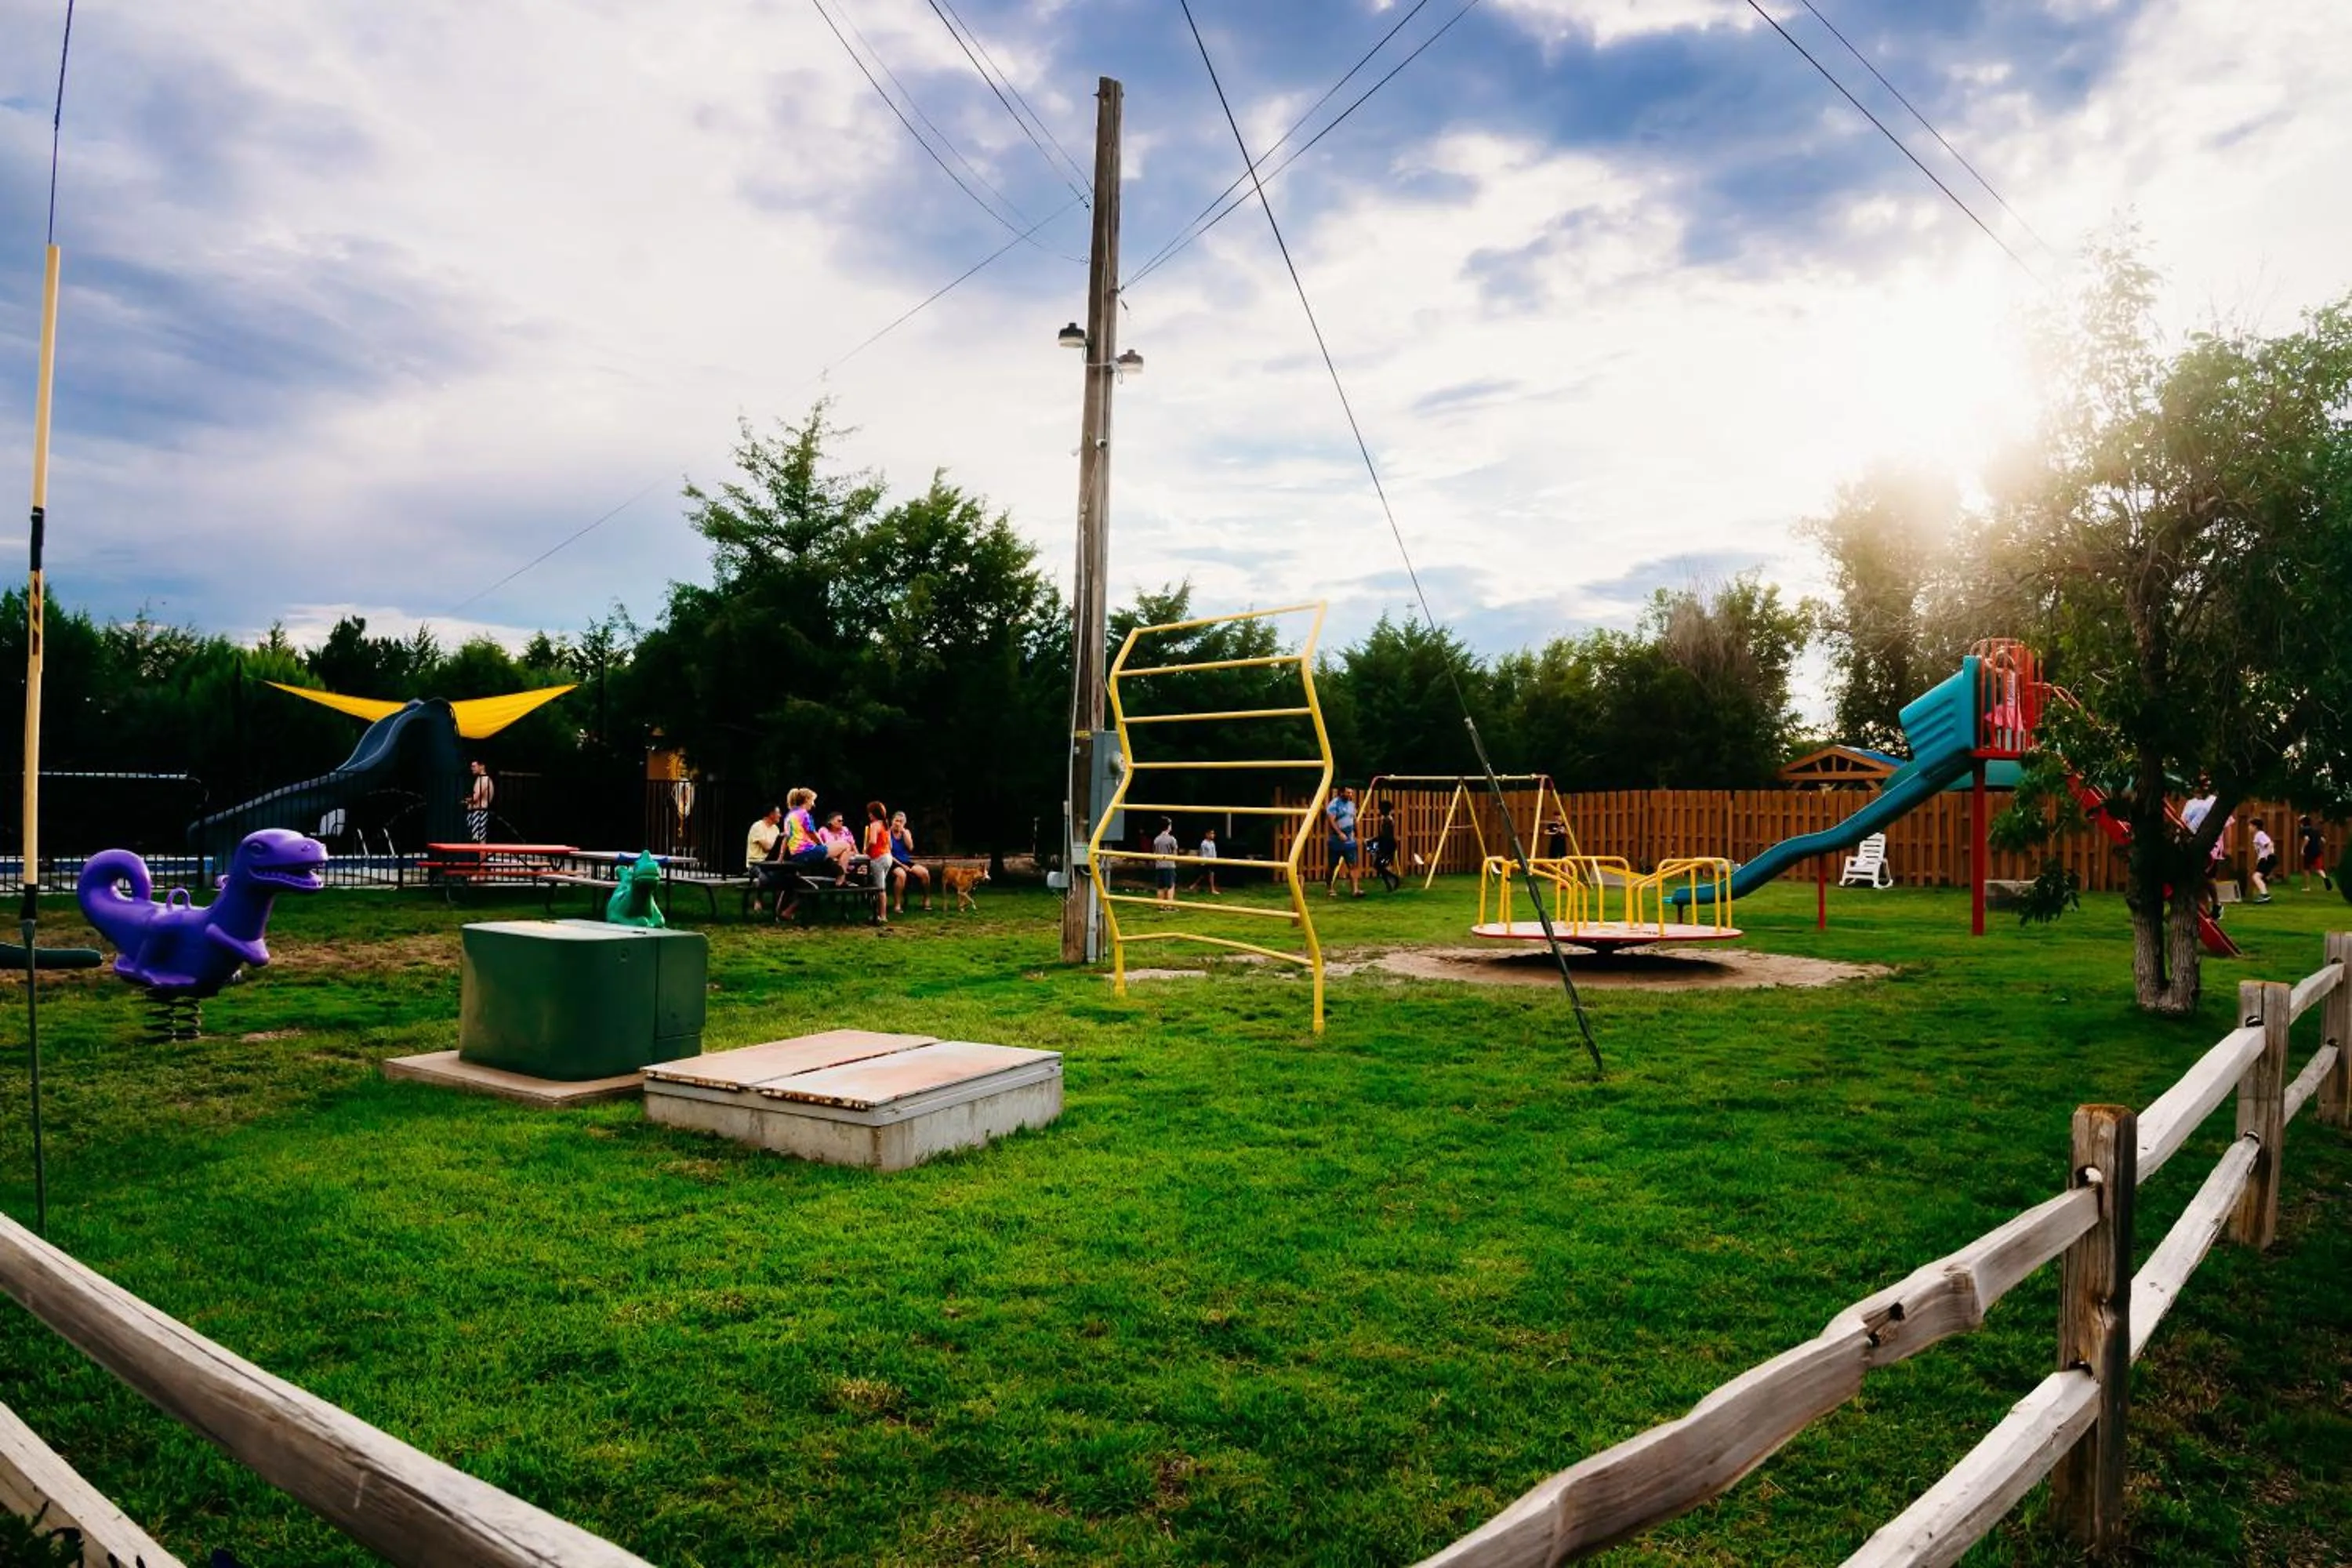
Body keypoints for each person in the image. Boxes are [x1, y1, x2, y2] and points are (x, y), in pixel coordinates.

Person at [889, 811, 932, 913]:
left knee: (924, 873)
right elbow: (888, 853)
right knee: (901, 875)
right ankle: (897, 904)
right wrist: (902, 865)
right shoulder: (887, 833)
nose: (898, 823)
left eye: (901, 821)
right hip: (893, 862)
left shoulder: (905, 832)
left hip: (905, 861)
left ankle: (926, 899)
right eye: (896, 821)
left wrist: (904, 833)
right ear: (892, 821)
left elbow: (910, 847)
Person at [862, 801, 897, 924]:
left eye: (870, 813)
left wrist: (866, 850)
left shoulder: (874, 825)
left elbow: (872, 841)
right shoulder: (885, 825)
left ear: (873, 813)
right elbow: (891, 845)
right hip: (888, 857)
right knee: (880, 886)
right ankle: (877, 914)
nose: (869, 815)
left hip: (878, 858)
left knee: (880, 889)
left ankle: (883, 916)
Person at [1326, 786, 1363, 898]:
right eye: (1348, 793)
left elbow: (1355, 820)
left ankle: (1355, 890)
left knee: (1353, 865)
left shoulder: (1352, 805)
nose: (1350, 795)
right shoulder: (1334, 804)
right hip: (1336, 841)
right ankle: (1329, 888)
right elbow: (1331, 821)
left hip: (1350, 840)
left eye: (1351, 793)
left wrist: (1359, 836)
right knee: (1332, 865)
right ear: (1341, 793)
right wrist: (1339, 833)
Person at [746, 805, 788, 896]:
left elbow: (776, 850)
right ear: (771, 814)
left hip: (771, 863)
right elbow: (767, 847)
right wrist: (780, 841)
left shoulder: (776, 829)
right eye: (778, 813)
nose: (780, 815)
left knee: (788, 875)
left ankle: (779, 903)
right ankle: (758, 900)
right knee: (765, 876)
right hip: (755, 864)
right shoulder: (757, 826)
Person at [1369, 800, 1402, 892]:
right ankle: (1389, 886)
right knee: (1381, 866)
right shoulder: (1388, 819)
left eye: (1380, 809)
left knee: (1378, 865)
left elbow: (1385, 835)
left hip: (1387, 845)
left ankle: (1395, 878)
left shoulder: (1387, 820)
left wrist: (1375, 840)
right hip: (1389, 844)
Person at [463, 760, 494, 842]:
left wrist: (466, 800)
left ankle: (481, 855)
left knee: (479, 840)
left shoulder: (484, 779)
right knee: (477, 839)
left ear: (482, 766)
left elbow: (475, 798)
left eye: (474, 766)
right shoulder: (482, 779)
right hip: (478, 812)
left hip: (479, 813)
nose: (472, 769)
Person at [1152, 817, 1180, 906]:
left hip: (1159, 865)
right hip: (1169, 865)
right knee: (1171, 886)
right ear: (1168, 826)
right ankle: (1169, 906)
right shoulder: (1172, 839)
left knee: (1160, 887)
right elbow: (1175, 853)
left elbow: (1154, 852)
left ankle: (1161, 906)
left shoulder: (1156, 839)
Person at [2300, 815, 2330, 894]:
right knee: (2319, 868)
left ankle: (2307, 887)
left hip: (2309, 852)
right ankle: (2325, 878)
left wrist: (2302, 849)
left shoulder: (2304, 830)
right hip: (2317, 851)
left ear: (2302, 823)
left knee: (2306, 869)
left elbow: (2306, 839)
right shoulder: (2315, 830)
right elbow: (2324, 840)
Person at [2249, 818, 2275, 903]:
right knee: (2260, 877)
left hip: (2266, 859)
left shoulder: (2260, 834)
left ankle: (2265, 895)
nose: (2249, 828)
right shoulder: (2258, 835)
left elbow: (2270, 844)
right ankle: (2264, 894)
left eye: (2250, 826)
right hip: (2264, 859)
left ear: (2255, 827)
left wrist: (2267, 856)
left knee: (2256, 877)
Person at [1188, 827, 1220, 895]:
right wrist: (1204, 862)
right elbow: (1203, 853)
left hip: (1212, 861)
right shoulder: (1204, 843)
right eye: (1211, 833)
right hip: (1206, 862)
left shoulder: (1212, 843)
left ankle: (1194, 886)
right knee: (1206, 875)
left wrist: (1215, 860)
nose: (1213, 835)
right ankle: (1211, 889)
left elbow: (1214, 853)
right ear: (1207, 834)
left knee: (1206, 875)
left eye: (1213, 833)